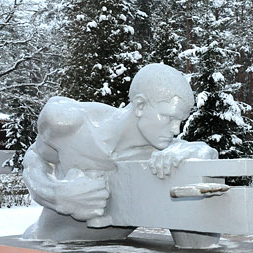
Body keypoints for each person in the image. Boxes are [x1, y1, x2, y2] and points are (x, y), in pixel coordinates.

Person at [22, 63, 217, 241]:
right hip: (46, 246)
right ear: (140, 105)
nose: (176, 129)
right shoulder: (69, 122)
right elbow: (34, 157)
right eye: (168, 117)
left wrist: (199, 153)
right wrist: (56, 194)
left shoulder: (164, 154)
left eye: (180, 121)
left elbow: (200, 151)